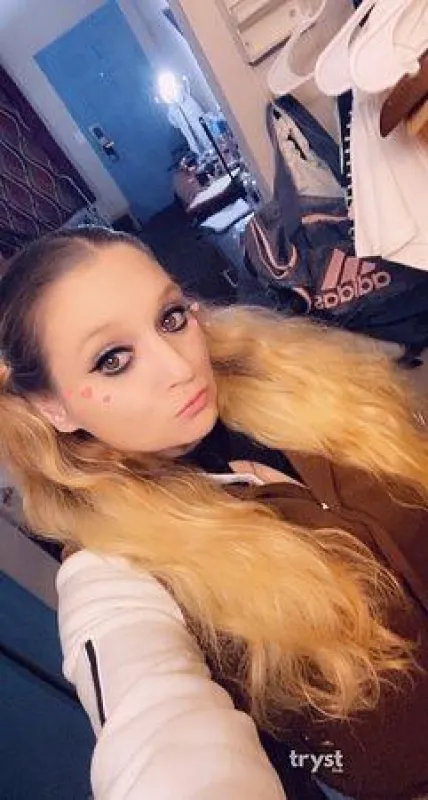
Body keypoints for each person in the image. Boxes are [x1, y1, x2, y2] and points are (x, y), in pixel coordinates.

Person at [0, 227, 427, 800]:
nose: (179, 367)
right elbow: (158, 732)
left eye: (171, 318)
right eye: (113, 360)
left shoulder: (299, 380)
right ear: (53, 408)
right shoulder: (114, 571)